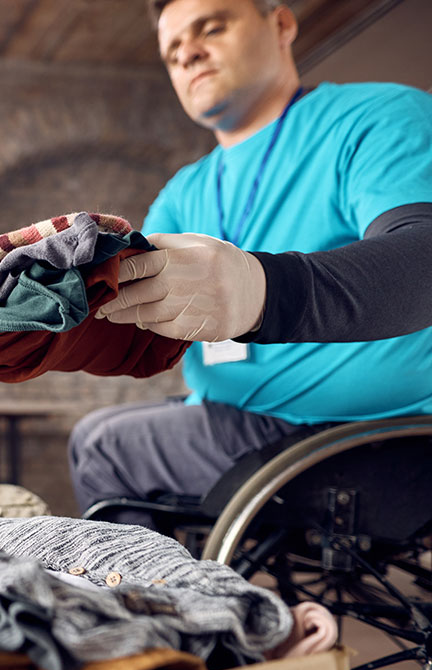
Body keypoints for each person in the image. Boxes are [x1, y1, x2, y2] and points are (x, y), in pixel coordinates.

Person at [69, 0, 432, 522]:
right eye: (172, 53)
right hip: (234, 416)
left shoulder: (377, 117)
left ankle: (162, 602)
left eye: (211, 27)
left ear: (281, 23)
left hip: (357, 430)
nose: (188, 53)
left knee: (103, 445)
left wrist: (263, 291)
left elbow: (422, 254)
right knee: (98, 433)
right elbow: (138, 315)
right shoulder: (184, 190)